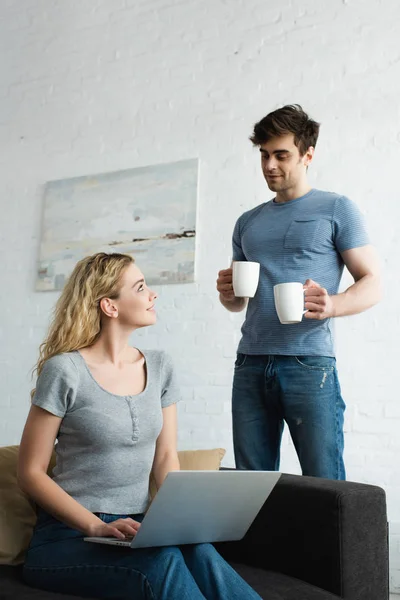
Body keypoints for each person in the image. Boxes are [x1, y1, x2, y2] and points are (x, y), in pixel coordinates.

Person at [18, 252, 261, 600]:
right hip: (67, 537)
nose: (153, 294)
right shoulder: (65, 371)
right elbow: (30, 472)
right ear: (110, 307)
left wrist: (181, 520)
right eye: (141, 287)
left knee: (200, 551)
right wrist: (96, 525)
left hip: (140, 526)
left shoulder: (161, 366)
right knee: (161, 562)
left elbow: (165, 461)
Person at [216, 104, 381, 480]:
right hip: (250, 363)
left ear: (308, 155)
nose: (270, 165)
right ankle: (260, 544)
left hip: (309, 364)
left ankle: (328, 544)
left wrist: (333, 305)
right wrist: (228, 294)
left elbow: (373, 282)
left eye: (281, 155)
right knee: (250, 484)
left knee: (324, 481)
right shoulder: (248, 222)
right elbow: (239, 300)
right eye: (264, 155)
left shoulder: (337, 208)